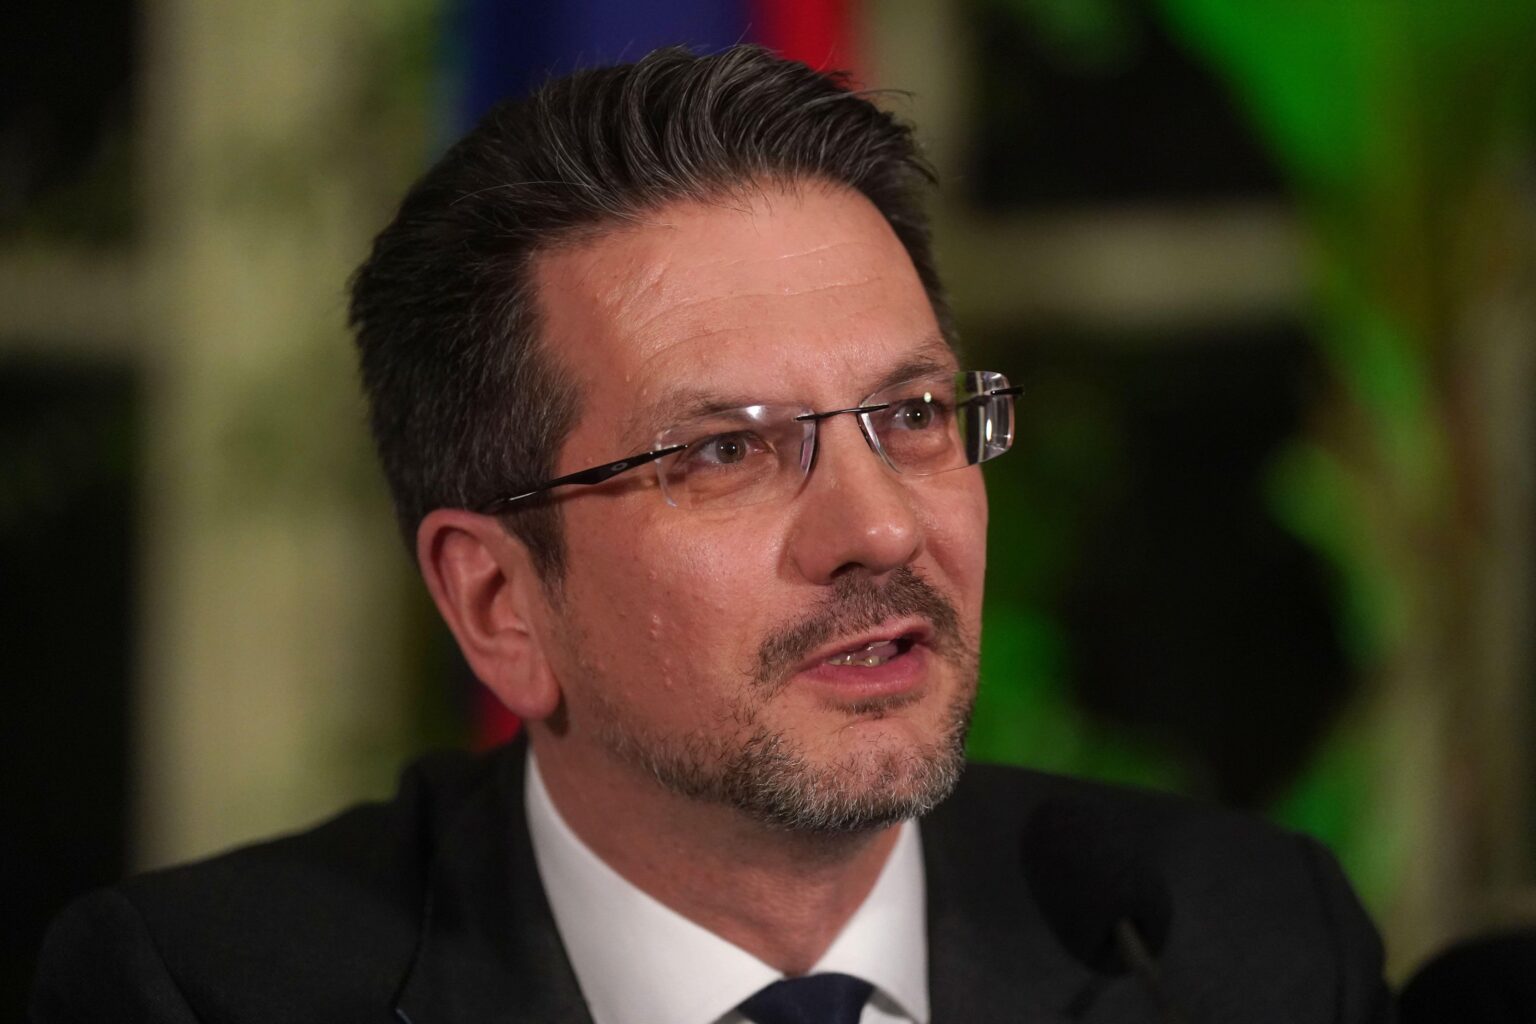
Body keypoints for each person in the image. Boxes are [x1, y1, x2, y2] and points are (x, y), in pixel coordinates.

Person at [31, 45, 1392, 1023]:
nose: (879, 529)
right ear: (499, 603)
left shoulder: (1250, 950)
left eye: (914, 414)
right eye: (728, 451)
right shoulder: (204, 993)